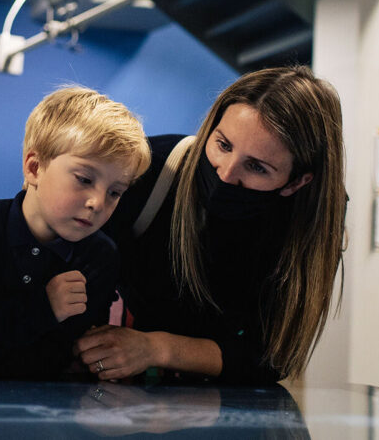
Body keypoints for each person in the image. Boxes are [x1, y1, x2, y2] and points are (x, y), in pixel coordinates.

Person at [76, 66, 346, 384]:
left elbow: (273, 356)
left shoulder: (310, 218)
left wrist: (156, 348)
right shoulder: (151, 168)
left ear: (297, 182)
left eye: (257, 167)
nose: (226, 174)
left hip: (220, 401)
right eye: (224, 145)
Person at [0, 87, 150, 379]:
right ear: (35, 167)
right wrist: (45, 308)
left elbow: (62, 364)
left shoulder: (100, 256)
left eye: (115, 192)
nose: (98, 203)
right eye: (84, 179)